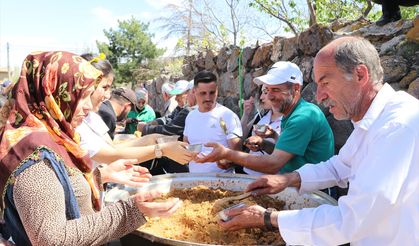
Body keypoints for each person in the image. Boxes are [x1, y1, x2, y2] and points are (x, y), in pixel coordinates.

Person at [218, 36, 419, 245]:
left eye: (325, 82)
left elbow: (352, 219)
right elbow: (339, 166)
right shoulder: (372, 120)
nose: (319, 96)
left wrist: (267, 218)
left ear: (360, 75)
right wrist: (289, 179)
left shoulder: (395, 126)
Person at [0, 51, 182, 245]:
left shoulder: (52, 137)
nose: (89, 107)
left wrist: (101, 175)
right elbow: (52, 239)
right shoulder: (36, 156)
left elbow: (60, 188)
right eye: (82, 95)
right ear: (55, 93)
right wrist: (133, 211)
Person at [196, 61, 334, 174]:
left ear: (296, 89)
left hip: (315, 192)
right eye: (267, 90)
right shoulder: (293, 113)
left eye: (276, 90)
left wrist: (227, 154)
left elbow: (273, 164)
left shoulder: (304, 117)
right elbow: (287, 152)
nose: (269, 96)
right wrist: (264, 144)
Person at [76, 55, 193, 168]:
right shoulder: (77, 123)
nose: (108, 95)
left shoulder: (92, 117)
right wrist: (161, 149)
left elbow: (112, 148)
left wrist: (152, 139)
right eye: (104, 87)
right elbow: (110, 156)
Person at [184, 70, 242, 173]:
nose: (208, 98)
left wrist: (225, 161)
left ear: (217, 91)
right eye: (203, 93)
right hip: (194, 182)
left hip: (222, 183)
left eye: (212, 93)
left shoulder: (227, 116)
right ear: (194, 91)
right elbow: (186, 145)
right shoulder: (190, 116)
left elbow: (238, 155)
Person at [241, 84, 283, 176]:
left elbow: (285, 150)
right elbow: (242, 137)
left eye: (265, 93)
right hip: (249, 172)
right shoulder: (262, 116)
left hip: (270, 177)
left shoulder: (287, 120)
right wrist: (246, 114)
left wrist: (273, 135)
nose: (261, 97)